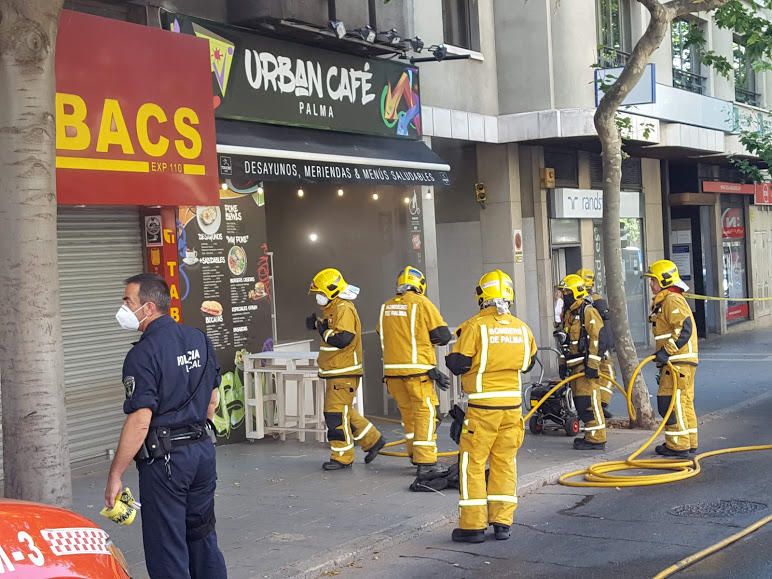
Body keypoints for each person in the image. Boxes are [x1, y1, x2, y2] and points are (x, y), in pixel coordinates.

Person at [104, 273, 227, 579]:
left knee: (167, 548)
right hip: (201, 453)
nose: (122, 308)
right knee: (202, 536)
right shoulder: (199, 339)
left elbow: (140, 420)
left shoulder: (142, 354)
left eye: (127, 301)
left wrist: (115, 474)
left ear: (147, 308)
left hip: (166, 463)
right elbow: (212, 399)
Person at [445, 269, 536, 543]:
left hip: (483, 410)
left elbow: (459, 363)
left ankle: (472, 526)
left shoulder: (474, 327)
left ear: (481, 295)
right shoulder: (522, 328)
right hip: (512, 410)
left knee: (472, 464)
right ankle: (502, 522)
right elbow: (529, 363)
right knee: (505, 462)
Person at [377, 266, 452, 485]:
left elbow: (386, 335)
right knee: (426, 415)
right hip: (418, 373)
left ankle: (415, 456)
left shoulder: (386, 307)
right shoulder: (421, 303)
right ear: (420, 285)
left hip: (392, 374)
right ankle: (427, 463)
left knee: (409, 417)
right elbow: (442, 335)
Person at [307, 268, 386, 470]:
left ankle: (342, 456)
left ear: (332, 291)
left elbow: (343, 338)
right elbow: (334, 332)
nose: (319, 298)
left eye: (321, 293)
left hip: (344, 371)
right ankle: (373, 440)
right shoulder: (335, 308)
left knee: (334, 415)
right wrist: (318, 325)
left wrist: (323, 331)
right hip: (337, 370)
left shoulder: (344, 309)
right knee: (344, 411)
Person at [643, 259, 699, 458]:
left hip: (678, 361)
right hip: (679, 361)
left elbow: (683, 329)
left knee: (670, 403)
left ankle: (678, 445)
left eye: (654, 281)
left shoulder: (671, 300)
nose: (651, 285)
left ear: (664, 281)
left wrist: (666, 351)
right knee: (683, 402)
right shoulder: (668, 300)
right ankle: (688, 442)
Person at [557, 274, 610, 450]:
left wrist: (593, 365)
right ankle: (590, 435)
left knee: (589, 403)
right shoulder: (568, 314)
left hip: (585, 367)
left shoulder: (587, 311)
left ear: (575, 292)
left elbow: (599, 338)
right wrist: (562, 364)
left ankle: (597, 439)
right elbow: (565, 343)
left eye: (566, 292)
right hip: (574, 368)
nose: (563, 295)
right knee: (581, 405)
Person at [576, 268, 615, 418]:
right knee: (608, 374)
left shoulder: (580, 302)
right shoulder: (595, 300)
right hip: (598, 346)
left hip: (589, 347)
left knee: (593, 378)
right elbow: (603, 325)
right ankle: (601, 404)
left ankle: (597, 404)